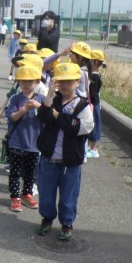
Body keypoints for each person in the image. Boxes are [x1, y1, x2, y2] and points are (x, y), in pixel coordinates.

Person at [35, 62, 94, 240]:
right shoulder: (53, 101)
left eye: (69, 81)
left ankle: (67, 223)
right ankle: (47, 218)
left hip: (71, 161)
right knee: (46, 192)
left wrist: (57, 115)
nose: (65, 85)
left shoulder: (82, 105)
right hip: (49, 158)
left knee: (69, 194)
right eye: (61, 81)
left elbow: (79, 127)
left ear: (77, 82)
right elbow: (43, 117)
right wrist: (49, 96)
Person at [5, 65, 45, 212]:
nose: (26, 84)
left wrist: (38, 106)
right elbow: (12, 118)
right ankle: (15, 197)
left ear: (37, 82)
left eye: (30, 81)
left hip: (35, 144)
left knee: (30, 172)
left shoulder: (42, 99)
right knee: (15, 172)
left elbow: (49, 115)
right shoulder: (15, 99)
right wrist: (24, 109)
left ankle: (27, 194)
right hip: (17, 142)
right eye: (23, 81)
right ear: (18, 82)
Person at [87, 49, 106, 158]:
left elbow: (93, 93)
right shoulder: (97, 73)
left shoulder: (94, 76)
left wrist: (90, 105)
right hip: (96, 102)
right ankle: (91, 147)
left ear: (93, 61)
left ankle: (93, 149)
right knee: (93, 123)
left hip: (93, 103)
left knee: (93, 124)